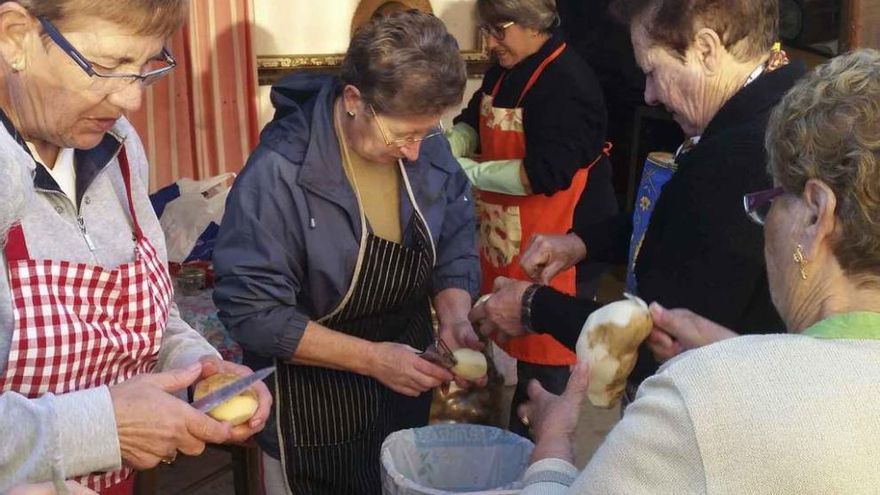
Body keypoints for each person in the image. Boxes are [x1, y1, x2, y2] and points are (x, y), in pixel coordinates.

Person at [516, 48, 880, 494]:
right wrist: (737, 356)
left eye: (769, 202)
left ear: (814, 216)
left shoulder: (700, 398)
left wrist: (553, 445)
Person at [0, 1, 271, 493]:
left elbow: (149, 314)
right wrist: (103, 427)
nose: (132, 100)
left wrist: (199, 369)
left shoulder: (119, 149)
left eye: (147, 67)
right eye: (106, 66)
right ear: (14, 37)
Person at [471, 0, 798, 402]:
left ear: (707, 50)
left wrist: (534, 307)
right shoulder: (779, 96)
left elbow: (661, 341)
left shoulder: (740, 158)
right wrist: (582, 242)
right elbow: (679, 226)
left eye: (653, 72)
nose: (650, 95)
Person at [212, 10, 482, 495]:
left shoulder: (421, 136)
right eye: (402, 136)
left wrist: (454, 309)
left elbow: (456, 224)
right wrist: (373, 360)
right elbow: (253, 312)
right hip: (314, 409)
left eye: (426, 133)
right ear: (354, 100)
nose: (416, 151)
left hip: (402, 391)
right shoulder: (279, 173)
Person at [446, 0, 617, 436]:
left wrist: (473, 171)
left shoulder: (567, 81)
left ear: (534, 22)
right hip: (507, 239)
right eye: (485, 29)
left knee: (540, 385)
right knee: (496, 343)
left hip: (560, 246)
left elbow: (548, 172)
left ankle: (537, 465)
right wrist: (454, 141)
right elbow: (475, 117)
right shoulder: (507, 66)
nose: (490, 42)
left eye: (498, 29)